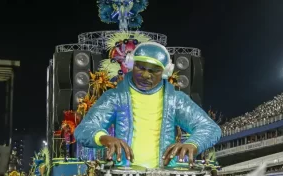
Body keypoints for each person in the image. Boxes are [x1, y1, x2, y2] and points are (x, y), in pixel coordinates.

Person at [75, 42, 221, 169]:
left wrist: (193, 144)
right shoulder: (115, 97)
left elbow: (210, 128)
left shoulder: (175, 100)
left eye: (153, 70)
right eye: (140, 68)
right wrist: (104, 138)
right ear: (131, 64)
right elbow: (83, 130)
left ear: (165, 71)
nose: (145, 75)